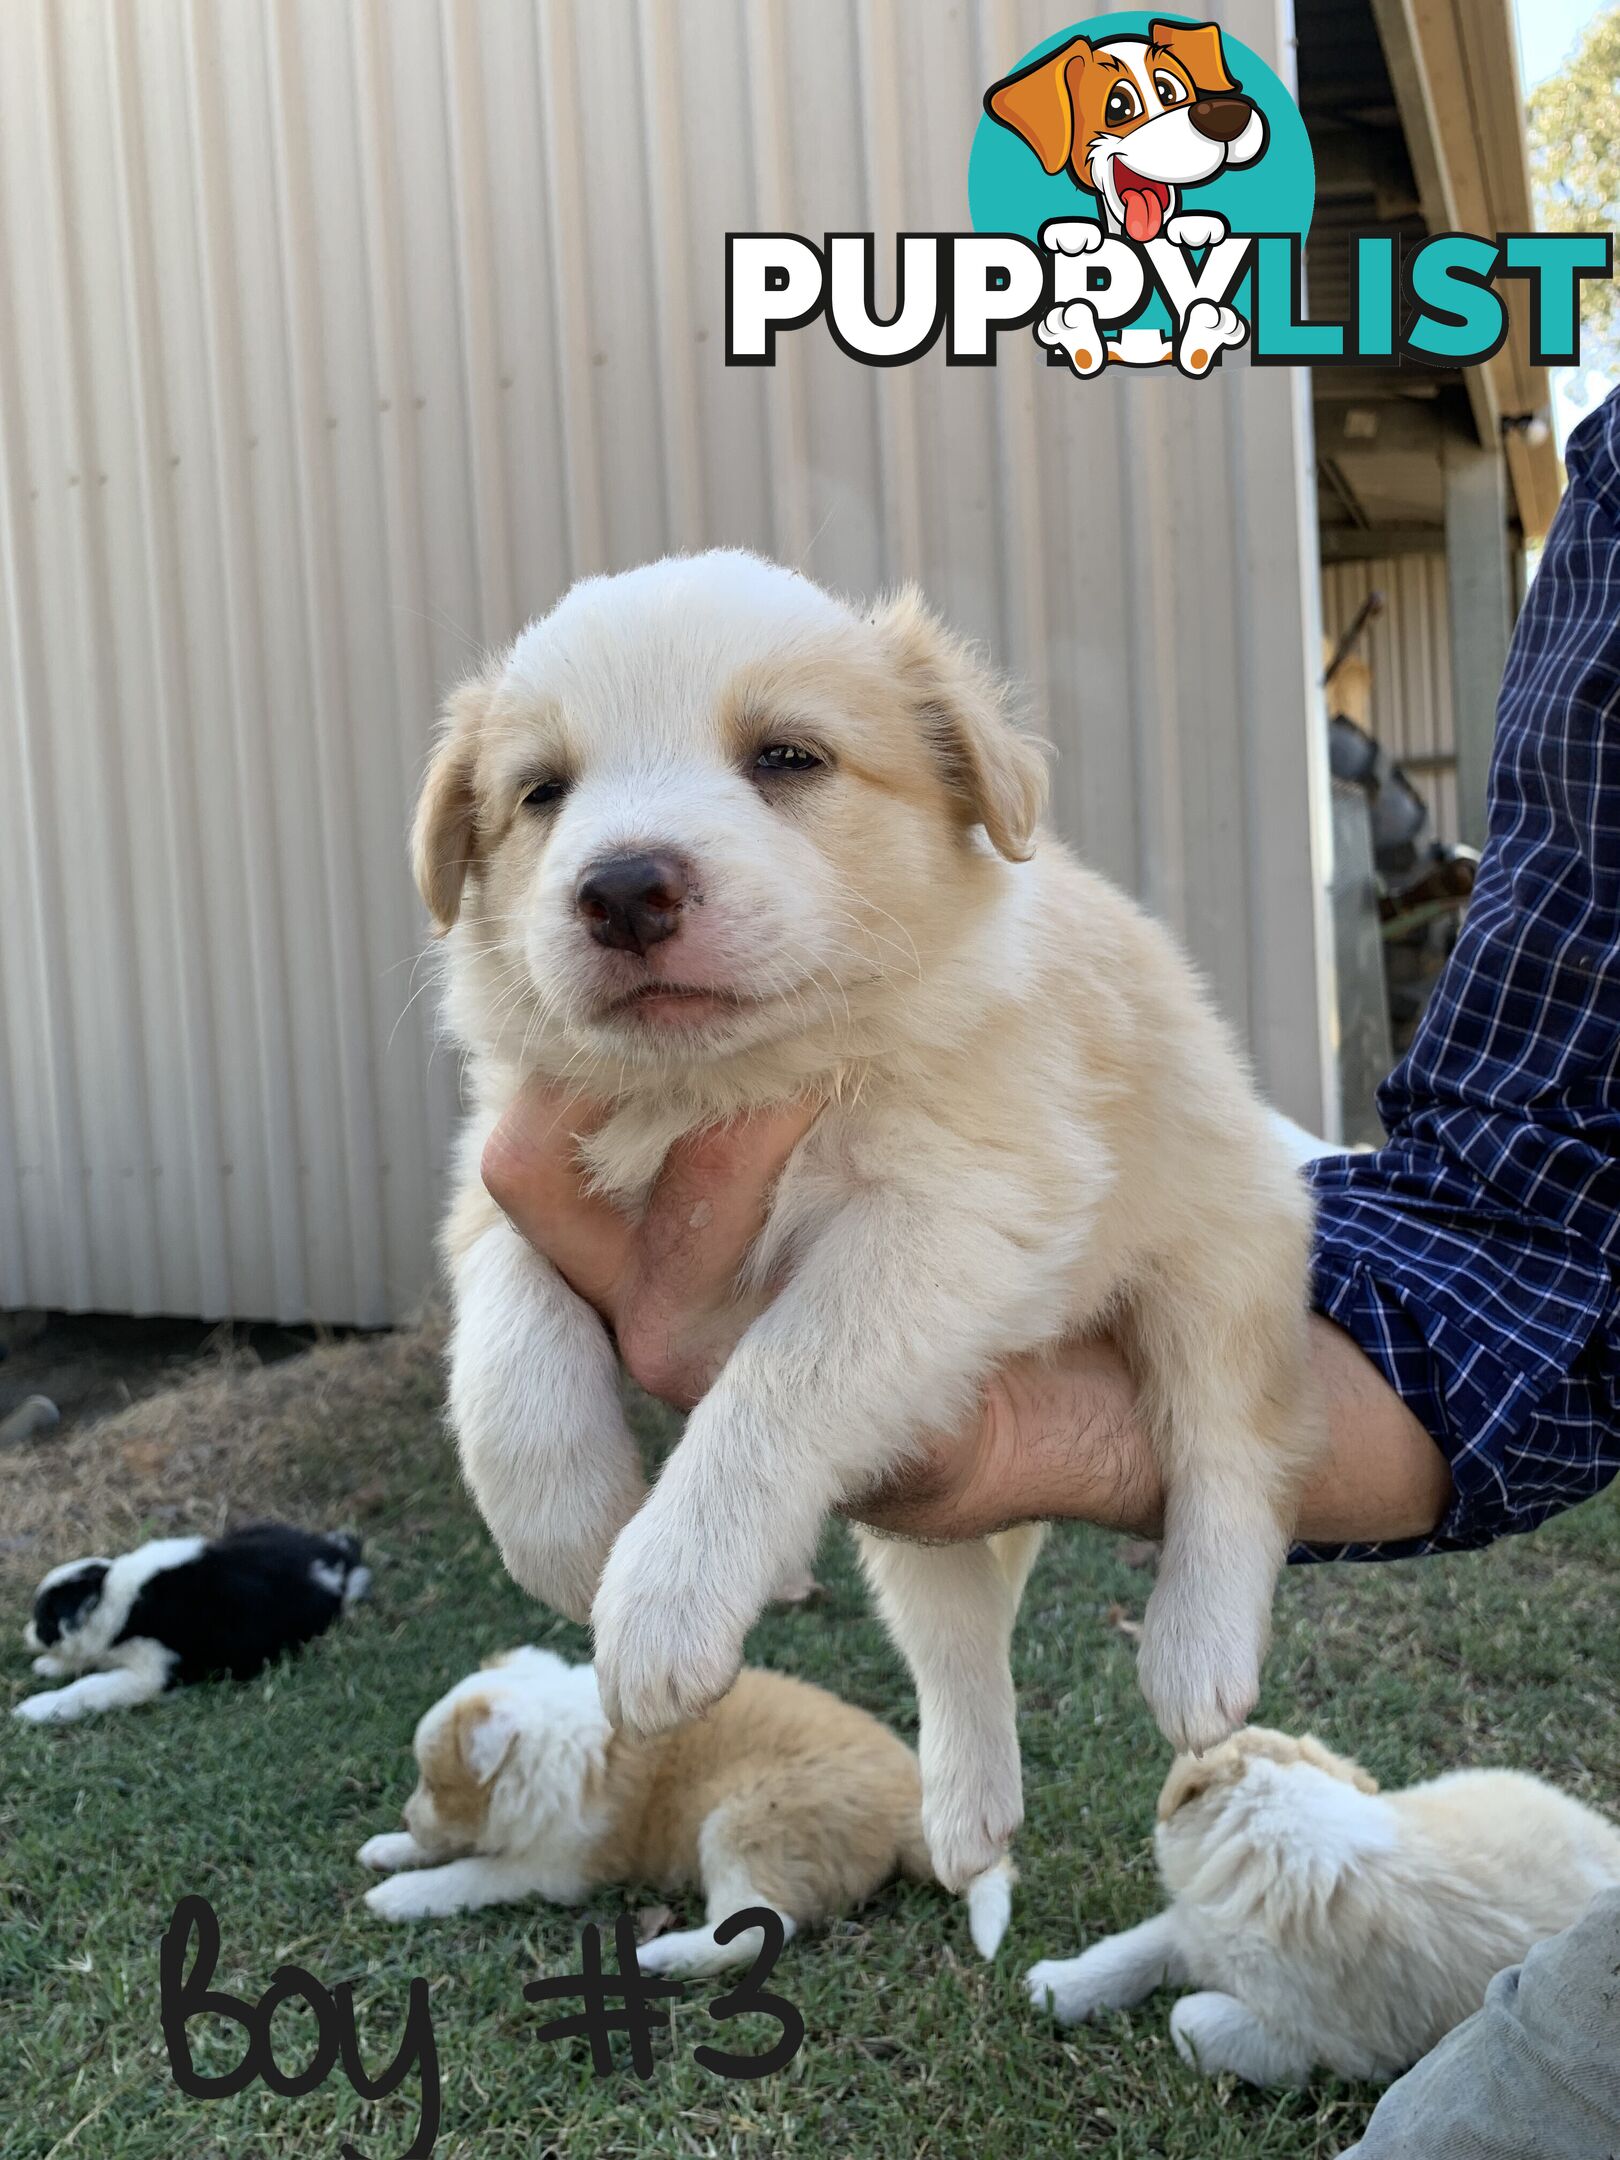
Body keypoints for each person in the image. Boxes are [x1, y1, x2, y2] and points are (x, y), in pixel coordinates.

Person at [477, 388, 1620, 2151]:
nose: (622, 859)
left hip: (1161, 1215)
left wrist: (733, 1486)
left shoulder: (961, 1002)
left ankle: (1221, 1546)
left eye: (782, 759)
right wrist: (538, 1425)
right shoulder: (566, 1037)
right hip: (918, 1358)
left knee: (1214, 1316)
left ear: (964, 793)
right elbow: (514, 1219)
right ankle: (966, 1723)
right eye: (543, 790)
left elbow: (929, 1249)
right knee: (916, 1517)